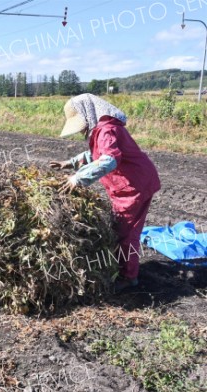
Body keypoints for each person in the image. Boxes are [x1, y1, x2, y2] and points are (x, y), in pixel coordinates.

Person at [50, 93, 161, 292]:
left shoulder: (107, 130)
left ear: (88, 113)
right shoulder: (103, 130)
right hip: (133, 183)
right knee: (122, 230)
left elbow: (109, 159)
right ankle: (120, 268)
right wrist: (71, 163)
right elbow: (96, 154)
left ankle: (128, 277)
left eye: (81, 123)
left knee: (125, 233)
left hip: (133, 187)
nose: (81, 129)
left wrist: (78, 178)